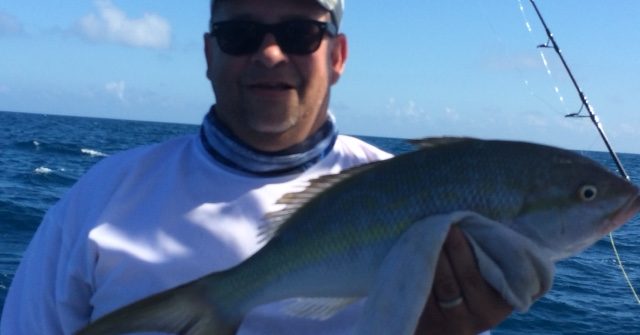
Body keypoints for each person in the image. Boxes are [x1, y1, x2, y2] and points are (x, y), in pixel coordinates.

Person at [1, 0, 512, 334]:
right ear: (208, 53)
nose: (269, 54)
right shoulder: (100, 195)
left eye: (299, 33)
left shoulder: (423, 206)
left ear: (338, 55)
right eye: (241, 34)